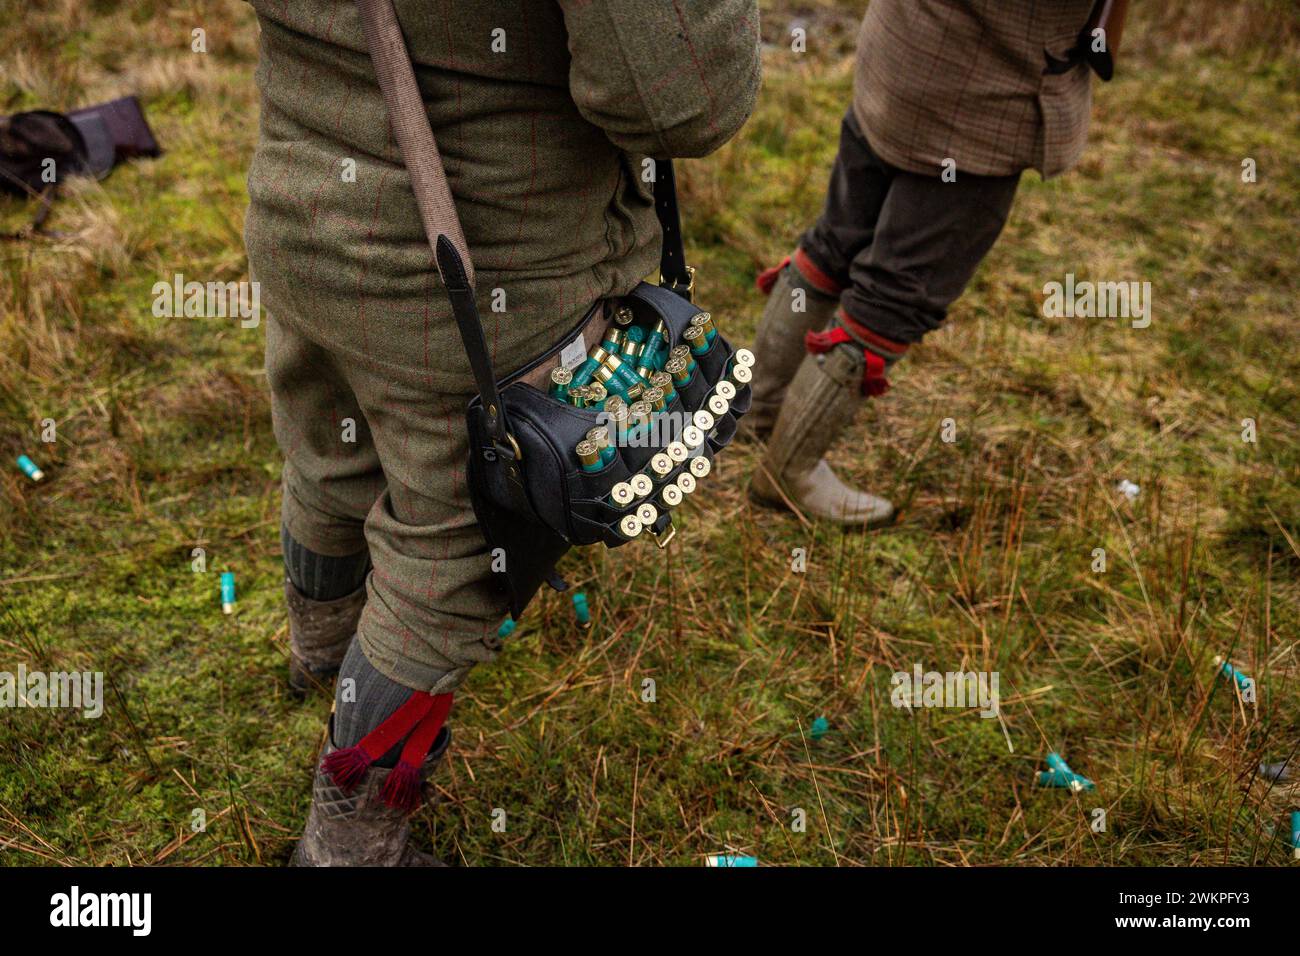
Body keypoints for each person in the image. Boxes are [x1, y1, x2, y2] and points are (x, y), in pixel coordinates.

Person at [243, 0, 760, 865]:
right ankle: (352, 846)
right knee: (455, 559)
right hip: (487, 272)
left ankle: (323, 656)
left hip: (302, 206)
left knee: (333, 457)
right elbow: (681, 99)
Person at [747, 0, 1101, 525]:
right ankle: (788, 472)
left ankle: (758, 411)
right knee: (896, 294)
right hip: (981, 96)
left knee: (836, 243)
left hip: (903, 52)